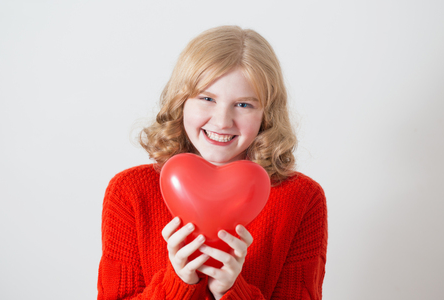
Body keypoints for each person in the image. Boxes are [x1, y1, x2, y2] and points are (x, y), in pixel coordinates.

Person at [97, 25, 327, 300]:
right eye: (207, 99)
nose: (221, 121)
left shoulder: (302, 199)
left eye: (244, 105)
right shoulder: (130, 192)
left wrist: (231, 291)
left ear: (267, 114)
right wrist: (178, 284)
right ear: (181, 101)